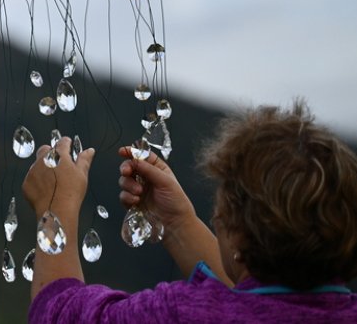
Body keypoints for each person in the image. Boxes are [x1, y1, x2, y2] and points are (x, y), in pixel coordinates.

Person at [23, 101, 357, 323]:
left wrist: (55, 207)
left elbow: (60, 313)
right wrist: (177, 222)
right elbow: (252, 302)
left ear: (238, 235)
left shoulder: (183, 314)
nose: (214, 219)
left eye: (221, 209)